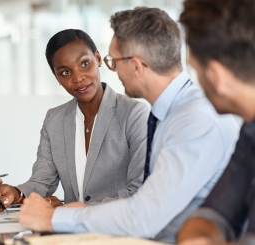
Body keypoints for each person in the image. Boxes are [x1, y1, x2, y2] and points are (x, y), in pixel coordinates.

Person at [16, 7, 240, 243]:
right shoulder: (170, 114)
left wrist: (55, 218)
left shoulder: (195, 120)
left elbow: (145, 215)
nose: (113, 70)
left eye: (114, 61)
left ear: (136, 65)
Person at [0, 29, 149, 210]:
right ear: (56, 77)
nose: (78, 78)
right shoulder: (54, 119)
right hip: (69, 232)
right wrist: (16, 194)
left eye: (84, 64)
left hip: (119, 231)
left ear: (98, 58)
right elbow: (42, 181)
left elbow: (139, 191)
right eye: (65, 73)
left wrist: (71, 212)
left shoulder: (134, 114)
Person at [176, 0, 255, 244]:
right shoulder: (249, 134)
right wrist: (199, 238)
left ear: (216, 76)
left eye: (196, 70)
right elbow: (215, 213)